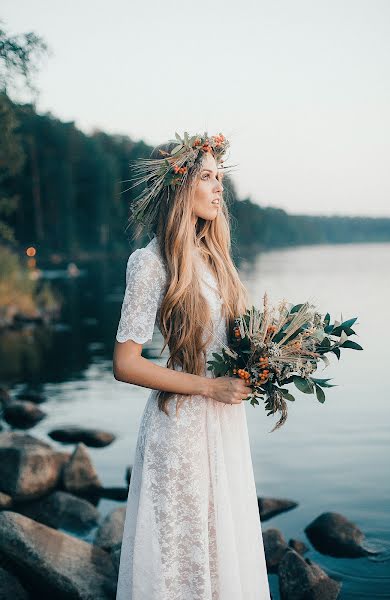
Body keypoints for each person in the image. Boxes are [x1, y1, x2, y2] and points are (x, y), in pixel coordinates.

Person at [113, 131, 271, 599]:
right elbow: (125, 363)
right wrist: (208, 387)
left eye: (220, 177)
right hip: (180, 430)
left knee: (225, 557)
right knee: (181, 567)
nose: (219, 187)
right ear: (180, 188)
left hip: (224, 427)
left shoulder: (213, 258)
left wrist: (270, 358)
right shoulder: (150, 262)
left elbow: (231, 344)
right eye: (206, 176)